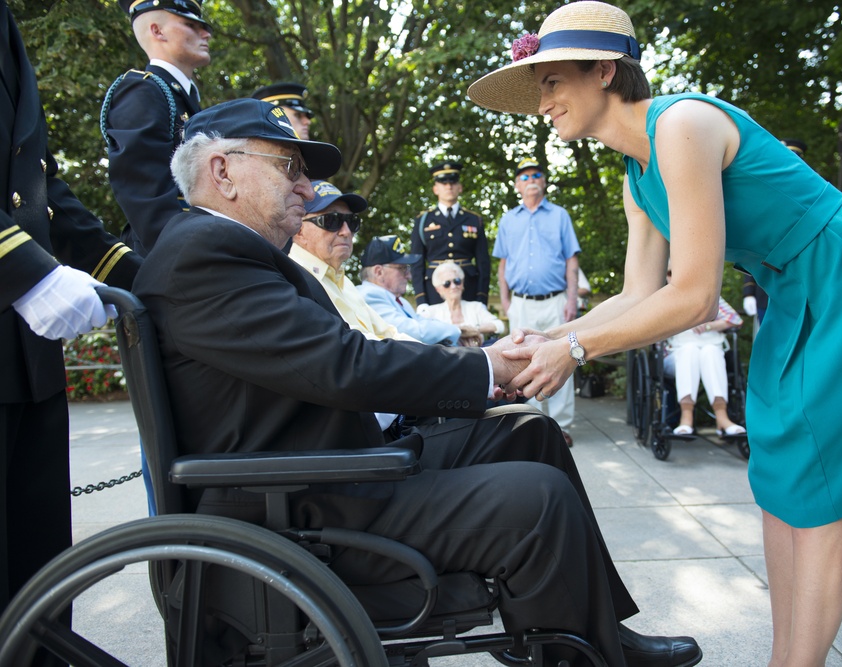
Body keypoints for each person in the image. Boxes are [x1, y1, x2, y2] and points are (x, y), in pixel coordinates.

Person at [467, 3, 842, 666]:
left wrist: (572, 350)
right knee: (777, 474)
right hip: (794, 288)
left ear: (603, 70)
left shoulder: (680, 125)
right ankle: (788, 655)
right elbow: (636, 292)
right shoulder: (636, 175)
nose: (541, 103)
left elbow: (693, 295)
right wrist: (549, 338)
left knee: (816, 483)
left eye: (550, 82)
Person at [130, 97, 703, 667]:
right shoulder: (206, 255)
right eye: (291, 168)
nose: (307, 190)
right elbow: (344, 365)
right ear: (222, 171)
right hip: (300, 505)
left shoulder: (222, 252)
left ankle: (592, 635)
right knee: (538, 499)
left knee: (529, 433)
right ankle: (580, 658)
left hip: (324, 469)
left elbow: (336, 362)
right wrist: (486, 369)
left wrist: (485, 370)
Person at [1, 0, 142, 621]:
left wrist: (149, 280)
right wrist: (23, 270)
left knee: (35, 572)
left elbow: (41, 190)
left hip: (22, 350)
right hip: (17, 301)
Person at [104, 0, 212, 257]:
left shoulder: (183, 98)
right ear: (157, 31)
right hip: (172, 258)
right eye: (190, 24)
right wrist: (194, 260)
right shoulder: (143, 91)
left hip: (200, 243)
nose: (206, 33)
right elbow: (147, 202)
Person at [493, 157, 580, 445]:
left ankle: (561, 425)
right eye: (525, 177)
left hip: (556, 302)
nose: (531, 180)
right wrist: (506, 301)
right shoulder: (508, 219)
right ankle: (532, 422)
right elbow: (502, 265)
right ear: (518, 185)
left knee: (563, 356)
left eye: (536, 175)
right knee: (522, 363)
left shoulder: (559, 215)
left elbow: (571, 260)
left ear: (544, 181)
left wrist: (571, 300)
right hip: (522, 303)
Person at [289, 180, 415, 342]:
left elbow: (389, 333)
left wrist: (441, 356)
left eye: (352, 222)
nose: (346, 232)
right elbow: (354, 346)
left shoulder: (343, 281)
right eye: (331, 221)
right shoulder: (292, 279)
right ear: (299, 229)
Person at [742, 139, 805, 337]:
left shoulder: (809, 195)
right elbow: (752, 247)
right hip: (767, 290)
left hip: (802, 286)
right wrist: (749, 292)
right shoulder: (762, 198)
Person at [357, 236, 468, 345]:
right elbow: (415, 332)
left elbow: (424, 323)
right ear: (379, 272)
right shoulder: (368, 295)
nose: (409, 276)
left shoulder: (399, 300)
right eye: (402, 269)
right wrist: (457, 331)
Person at [410, 161, 490, 310]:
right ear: (435, 189)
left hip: (468, 289)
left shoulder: (474, 219)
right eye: (443, 182)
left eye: (453, 181)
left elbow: (483, 262)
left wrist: (481, 297)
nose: (448, 186)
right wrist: (421, 300)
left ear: (460, 187)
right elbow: (416, 263)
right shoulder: (423, 220)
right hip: (434, 291)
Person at [663, 296, 745, 436]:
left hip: (708, 348)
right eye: (669, 273)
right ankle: (686, 416)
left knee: (711, 351)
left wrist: (708, 326)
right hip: (676, 353)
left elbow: (735, 320)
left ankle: (722, 417)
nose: (672, 276)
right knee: (689, 350)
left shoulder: (708, 294)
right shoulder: (665, 299)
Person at [423, 260, 505, 347]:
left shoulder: (476, 307)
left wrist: (475, 329)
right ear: (438, 289)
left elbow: (499, 326)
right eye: (447, 283)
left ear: (462, 284)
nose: (453, 286)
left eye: (457, 281)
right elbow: (420, 331)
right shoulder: (431, 312)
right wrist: (461, 332)